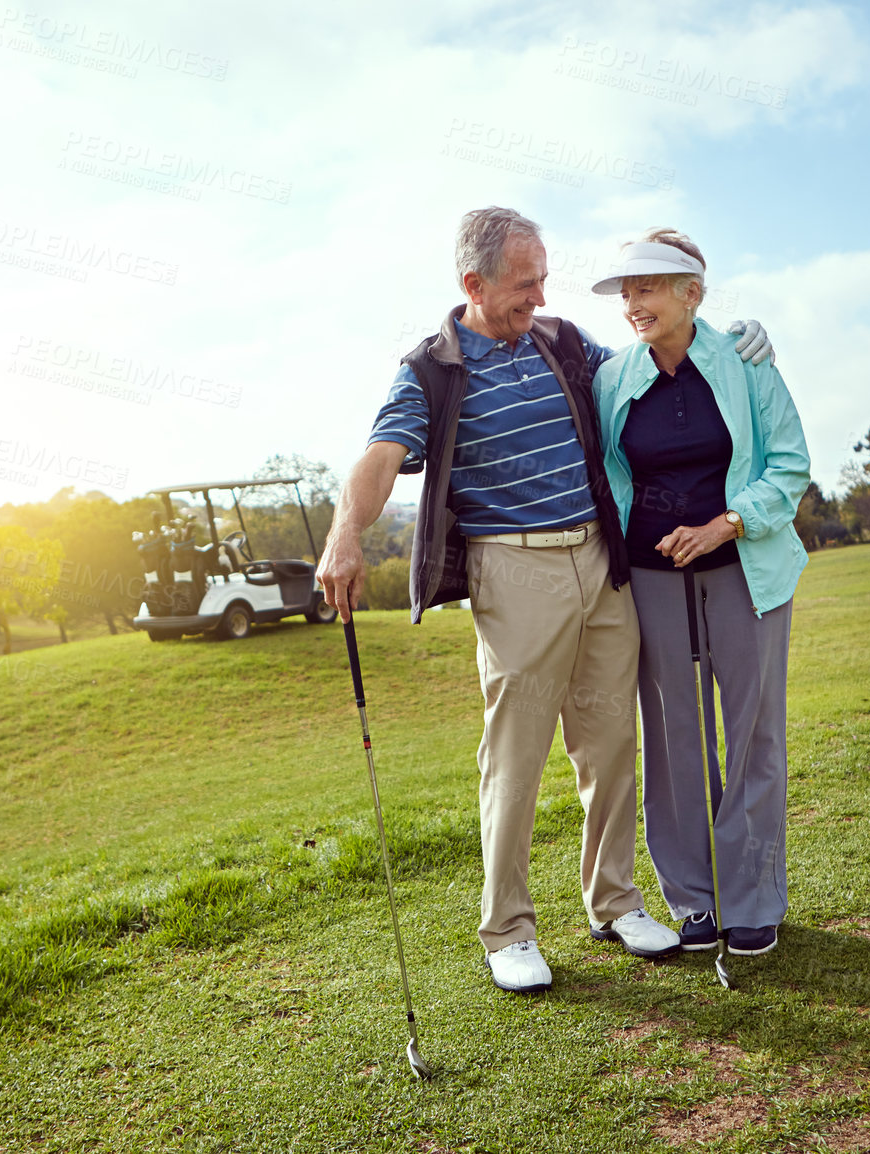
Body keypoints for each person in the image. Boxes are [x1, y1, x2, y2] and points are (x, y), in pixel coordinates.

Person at [317, 207, 775, 994]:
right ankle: (509, 930)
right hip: (513, 569)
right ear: (475, 283)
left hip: (600, 562)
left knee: (610, 746)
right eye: (524, 283)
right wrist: (343, 533)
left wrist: (737, 342)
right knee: (516, 757)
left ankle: (615, 901)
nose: (539, 294)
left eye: (542, 279)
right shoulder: (431, 370)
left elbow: (651, 362)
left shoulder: (561, 341)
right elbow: (383, 456)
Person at [590, 228, 810, 958]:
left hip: (745, 572)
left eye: (646, 287)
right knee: (673, 738)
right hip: (652, 580)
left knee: (753, 736)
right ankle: (694, 900)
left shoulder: (747, 363)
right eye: (626, 292)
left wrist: (725, 524)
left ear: (693, 293)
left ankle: (753, 899)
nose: (632, 303)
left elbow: (789, 466)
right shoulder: (611, 377)